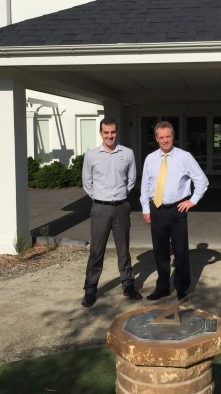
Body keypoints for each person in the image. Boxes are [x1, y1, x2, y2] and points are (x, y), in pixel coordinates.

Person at [140, 121, 209, 300]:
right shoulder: (150, 159)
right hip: (157, 210)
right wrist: (146, 209)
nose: (165, 140)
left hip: (177, 210)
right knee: (161, 252)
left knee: (180, 252)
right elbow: (145, 186)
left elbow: (202, 180)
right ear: (156, 138)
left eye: (168, 136)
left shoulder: (184, 156)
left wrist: (192, 201)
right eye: (161, 137)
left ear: (173, 136)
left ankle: (182, 288)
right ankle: (162, 287)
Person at [81, 118, 142, 307]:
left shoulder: (127, 154)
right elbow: (87, 183)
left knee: (123, 249)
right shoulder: (91, 155)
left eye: (113, 132)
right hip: (100, 208)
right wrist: (101, 198)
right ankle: (91, 289)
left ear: (117, 132)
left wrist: (120, 195)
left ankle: (128, 284)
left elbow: (131, 179)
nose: (110, 136)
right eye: (106, 132)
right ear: (101, 133)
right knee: (96, 250)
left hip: (122, 207)